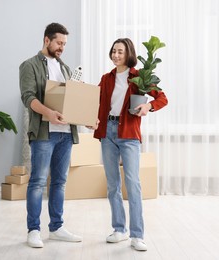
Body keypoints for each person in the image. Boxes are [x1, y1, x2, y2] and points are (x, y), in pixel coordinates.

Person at [93, 38, 168, 251]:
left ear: (129, 54)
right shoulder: (106, 79)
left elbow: (162, 98)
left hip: (129, 134)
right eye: (114, 51)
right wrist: (91, 117)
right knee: (112, 185)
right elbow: (96, 102)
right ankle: (119, 229)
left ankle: (137, 234)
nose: (116, 55)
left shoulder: (139, 77)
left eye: (120, 52)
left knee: (133, 184)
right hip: (108, 132)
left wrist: (148, 107)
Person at [19, 22, 82, 248]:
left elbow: (74, 101)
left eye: (64, 44)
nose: (62, 47)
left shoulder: (66, 68)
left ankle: (56, 227)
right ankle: (33, 230)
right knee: (37, 182)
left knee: (59, 182)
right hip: (45, 133)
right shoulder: (29, 65)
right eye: (58, 42)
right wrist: (49, 113)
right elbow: (28, 98)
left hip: (66, 133)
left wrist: (87, 118)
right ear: (46, 40)